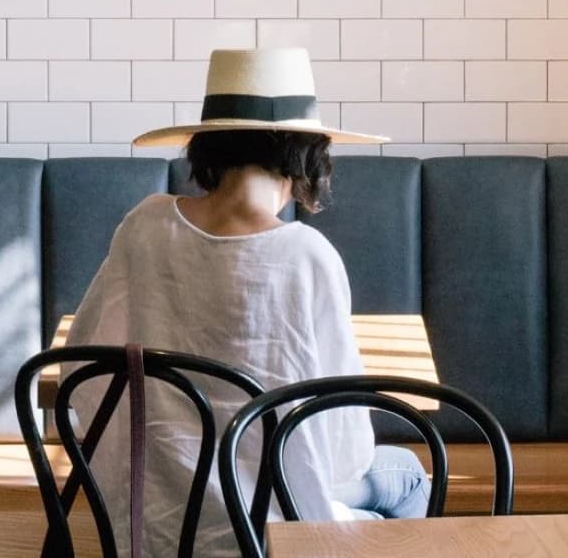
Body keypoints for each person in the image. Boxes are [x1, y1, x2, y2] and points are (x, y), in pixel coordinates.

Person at [66, 47, 430, 557]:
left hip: (160, 525)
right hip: (273, 530)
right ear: (306, 154)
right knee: (409, 475)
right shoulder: (306, 255)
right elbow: (344, 450)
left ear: (207, 144)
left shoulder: (144, 225)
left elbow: (83, 372)